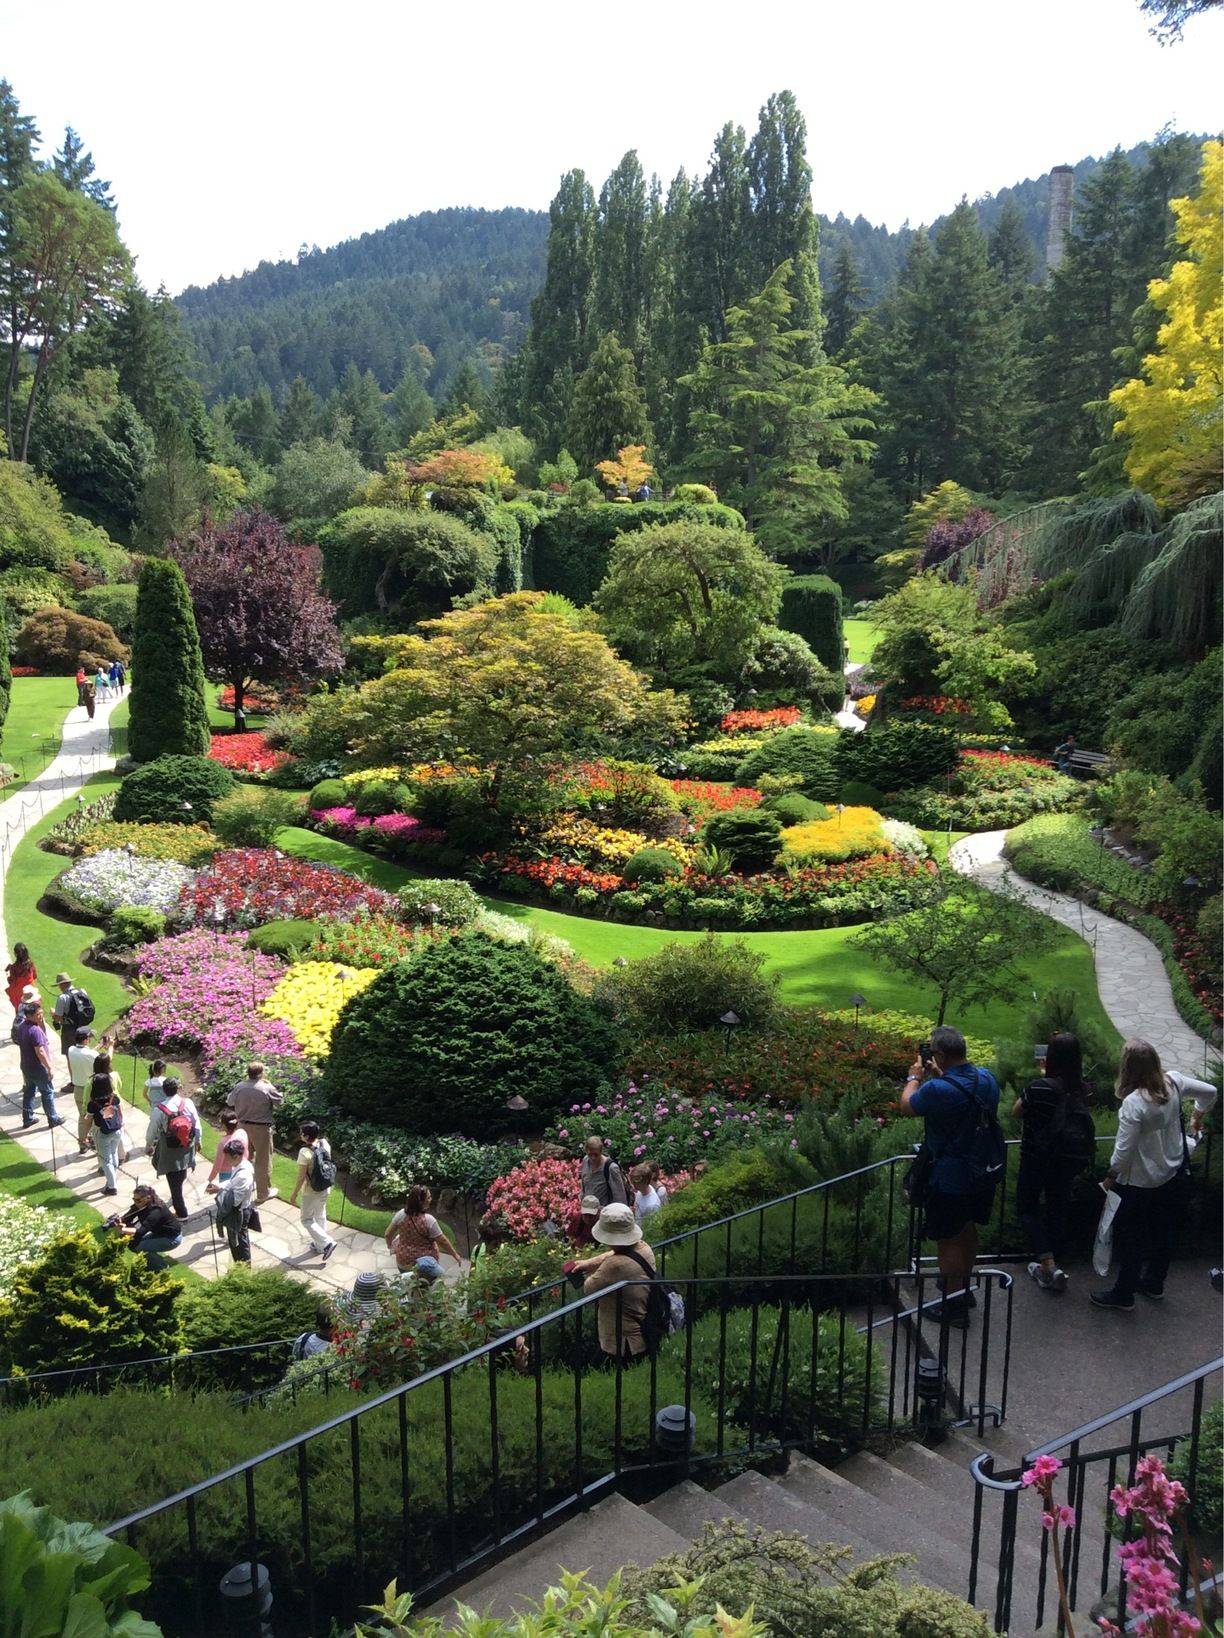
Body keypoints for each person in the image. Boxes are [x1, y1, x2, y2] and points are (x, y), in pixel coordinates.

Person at [1091, 1040, 1218, 1311]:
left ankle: (1123, 1295)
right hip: (1171, 1174)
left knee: (1132, 1238)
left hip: (1138, 1182)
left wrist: (1109, 1177)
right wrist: (1197, 1116)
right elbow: (1210, 1092)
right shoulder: (1174, 1082)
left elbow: (1123, 1152)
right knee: (1164, 1233)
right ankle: (1154, 1283)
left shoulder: (1134, 1105)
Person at [901, 1024, 1003, 1328]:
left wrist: (914, 1077)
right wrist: (940, 1074)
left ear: (941, 1055)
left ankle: (952, 1305)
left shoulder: (936, 1089)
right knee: (967, 1231)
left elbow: (907, 1105)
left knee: (947, 1239)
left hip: (949, 1177)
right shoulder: (986, 1078)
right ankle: (964, 1288)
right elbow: (963, 1093)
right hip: (981, 1172)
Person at [1013, 1032, 1096, 1293]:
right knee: (1058, 1206)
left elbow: (1017, 1111)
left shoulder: (1039, 1087)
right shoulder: (1084, 1090)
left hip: (1037, 1158)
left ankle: (1047, 1263)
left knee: (1027, 1208)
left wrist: (1043, 1078)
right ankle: (1056, 1258)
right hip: (1067, 1160)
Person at [580, 1203, 657, 1363]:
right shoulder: (643, 1247)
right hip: (642, 1333)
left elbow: (588, 1288)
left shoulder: (614, 1266)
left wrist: (589, 1270)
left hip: (623, 1343)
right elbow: (614, 1254)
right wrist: (588, 1262)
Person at [223, 1062, 283, 1202]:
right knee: (263, 1161)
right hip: (261, 1129)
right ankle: (263, 1194)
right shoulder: (266, 1087)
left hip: (242, 1127)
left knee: (243, 1158)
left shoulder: (239, 1087)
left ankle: (243, 1187)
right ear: (261, 1073)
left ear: (248, 1072)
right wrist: (271, 1086)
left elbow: (230, 1102)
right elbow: (280, 1101)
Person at [146, 1074, 201, 1219]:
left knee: (173, 1179)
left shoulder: (160, 1109)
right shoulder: (188, 1103)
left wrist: (148, 1145)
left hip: (169, 1148)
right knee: (181, 1173)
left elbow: (152, 1131)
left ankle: (181, 1213)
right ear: (177, 1089)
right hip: (186, 1144)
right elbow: (197, 1124)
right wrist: (198, 1141)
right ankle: (178, 1197)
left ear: (164, 1091)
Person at [288, 1119, 337, 1261]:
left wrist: (294, 1194)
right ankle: (320, 1246)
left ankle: (327, 1243)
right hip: (325, 1186)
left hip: (311, 1191)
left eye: (301, 1133)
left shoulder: (304, 1152)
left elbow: (301, 1177)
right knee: (320, 1214)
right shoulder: (325, 1144)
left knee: (306, 1219)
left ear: (306, 1136)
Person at [385, 1184, 460, 1274]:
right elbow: (442, 1241)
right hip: (424, 1265)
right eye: (428, 1198)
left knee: (407, 1284)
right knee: (432, 1281)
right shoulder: (429, 1220)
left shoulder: (401, 1215)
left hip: (403, 1262)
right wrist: (455, 1255)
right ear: (421, 1202)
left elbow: (387, 1234)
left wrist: (390, 1246)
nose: (430, 1199)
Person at [15, 1000, 63, 1131]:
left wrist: (41, 1022)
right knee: (47, 1092)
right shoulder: (34, 1030)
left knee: (29, 1092)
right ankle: (53, 1119)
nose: (41, 1016)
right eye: (38, 1015)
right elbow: (40, 1051)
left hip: (26, 1066)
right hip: (38, 1067)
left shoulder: (21, 1027)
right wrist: (49, 1067)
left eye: (41, 1013)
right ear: (29, 1015)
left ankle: (27, 1118)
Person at [208, 1139, 256, 1263]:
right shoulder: (240, 1165)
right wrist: (219, 1187)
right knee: (236, 1241)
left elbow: (234, 1200)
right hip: (238, 1210)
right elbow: (232, 1183)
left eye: (227, 1157)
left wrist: (219, 1193)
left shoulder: (244, 1175)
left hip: (239, 1212)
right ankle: (239, 1266)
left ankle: (244, 1269)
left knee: (239, 1243)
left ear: (235, 1156)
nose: (226, 1160)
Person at [86, 1055, 125, 1196]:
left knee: (105, 1160)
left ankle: (112, 1187)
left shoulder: (93, 1103)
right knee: (113, 1154)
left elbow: (88, 1119)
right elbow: (120, 1112)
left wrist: (84, 1136)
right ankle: (111, 1180)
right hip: (117, 1130)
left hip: (102, 1133)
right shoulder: (114, 1098)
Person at [118, 1184, 182, 1265]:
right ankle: (150, 1261)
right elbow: (128, 1217)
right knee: (133, 1243)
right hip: (159, 1234)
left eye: (138, 1200)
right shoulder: (141, 1204)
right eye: (134, 1199)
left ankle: (161, 1266)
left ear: (147, 1198)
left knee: (141, 1247)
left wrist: (123, 1229)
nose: (135, 1202)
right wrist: (118, 1221)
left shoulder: (156, 1210)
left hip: (172, 1238)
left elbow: (141, 1231)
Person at [66, 1025, 98, 1154]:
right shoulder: (92, 1054)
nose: (90, 1040)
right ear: (85, 1040)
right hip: (90, 1090)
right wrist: (110, 1047)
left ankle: (82, 1143)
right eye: (89, 1038)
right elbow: (101, 1060)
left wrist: (99, 1046)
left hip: (78, 1089)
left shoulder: (71, 1050)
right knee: (95, 1117)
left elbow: (85, 1053)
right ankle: (93, 1140)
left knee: (82, 1117)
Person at [579, 1135, 631, 1209]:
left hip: (604, 1212)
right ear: (586, 1150)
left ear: (601, 1151)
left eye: (596, 1155)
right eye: (590, 1154)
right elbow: (584, 1185)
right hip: (588, 1210)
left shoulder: (611, 1168)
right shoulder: (586, 1160)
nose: (593, 1158)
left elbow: (620, 1198)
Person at [52, 972, 93, 1061]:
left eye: (59, 985)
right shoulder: (82, 991)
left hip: (69, 1030)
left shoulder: (63, 997)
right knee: (84, 1053)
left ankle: (74, 1075)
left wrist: (53, 1014)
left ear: (62, 984)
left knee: (71, 1057)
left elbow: (58, 1017)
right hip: (83, 1027)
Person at [207, 1113, 249, 1184]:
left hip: (226, 1175)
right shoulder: (242, 1133)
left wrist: (210, 1179)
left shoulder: (223, 1143)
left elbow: (217, 1165)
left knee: (225, 1194)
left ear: (224, 1125)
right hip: (240, 1171)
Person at [5, 943, 36, 1021]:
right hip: (31, 994)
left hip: (19, 997)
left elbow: (11, 981)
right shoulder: (31, 964)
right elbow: (34, 976)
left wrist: (7, 973)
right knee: (32, 1016)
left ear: (15, 954)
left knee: (19, 1017)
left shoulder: (14, 968)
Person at [631, 1162, 664, 1227]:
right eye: (633, 1181)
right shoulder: (640, 1192)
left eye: (636, 1182)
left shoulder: (652, 1205)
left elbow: (654, 1227)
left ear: (646, 1181)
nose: (633, 1184)